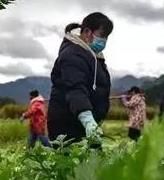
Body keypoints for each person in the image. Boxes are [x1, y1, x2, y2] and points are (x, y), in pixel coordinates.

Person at [47, 13, 114, 145]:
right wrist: (88, 120)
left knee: (93, 162)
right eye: (102, 35)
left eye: (107, 37)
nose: (104, 40)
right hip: (68, 125)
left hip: (82, 124)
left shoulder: (94, 56)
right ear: (87, 32)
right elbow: (75, 89)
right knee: (72, 162)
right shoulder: (72, 54)